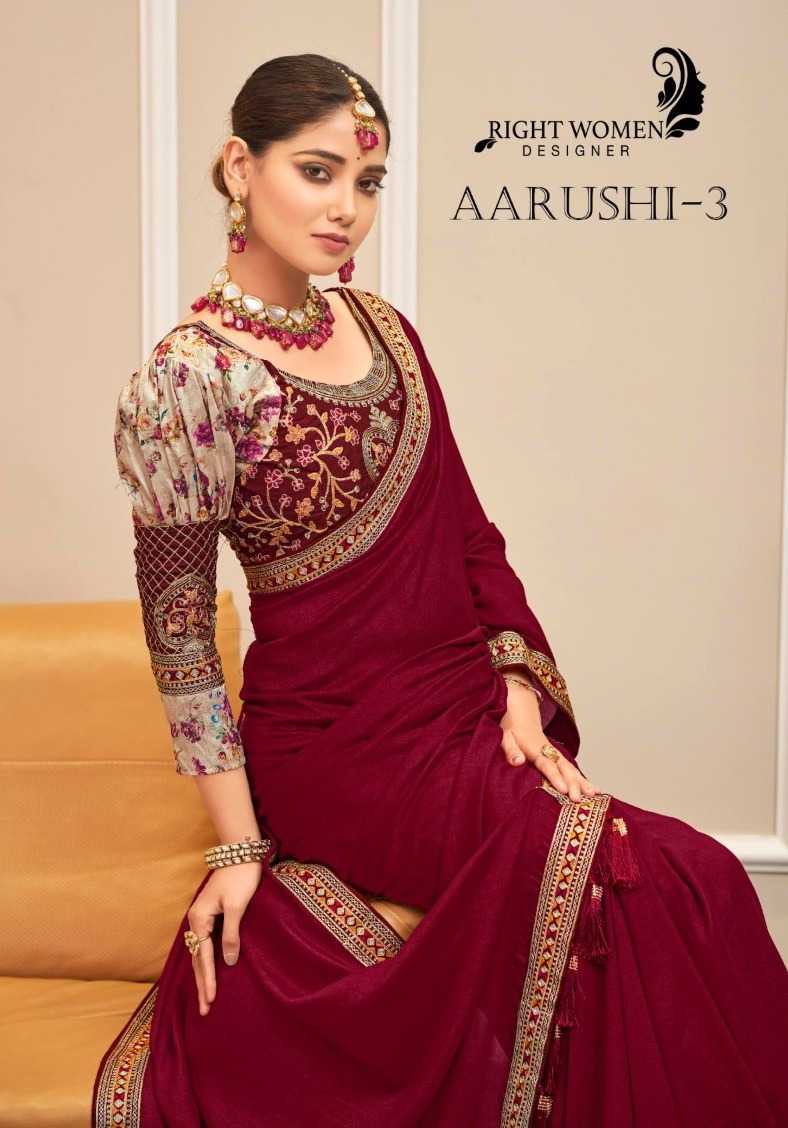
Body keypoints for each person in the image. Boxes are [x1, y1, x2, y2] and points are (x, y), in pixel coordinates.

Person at [92, 53, 788, 1128]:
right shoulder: (186, 382)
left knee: (691, 880)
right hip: (339, 750)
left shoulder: (386, 334)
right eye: (316, 171)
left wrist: (515, 683)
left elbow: (468, 536)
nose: (345, 208)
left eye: (366, 182)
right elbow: (181, 641)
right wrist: (235, 845)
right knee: (653, 880)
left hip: (462, 715)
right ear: (239, 167)